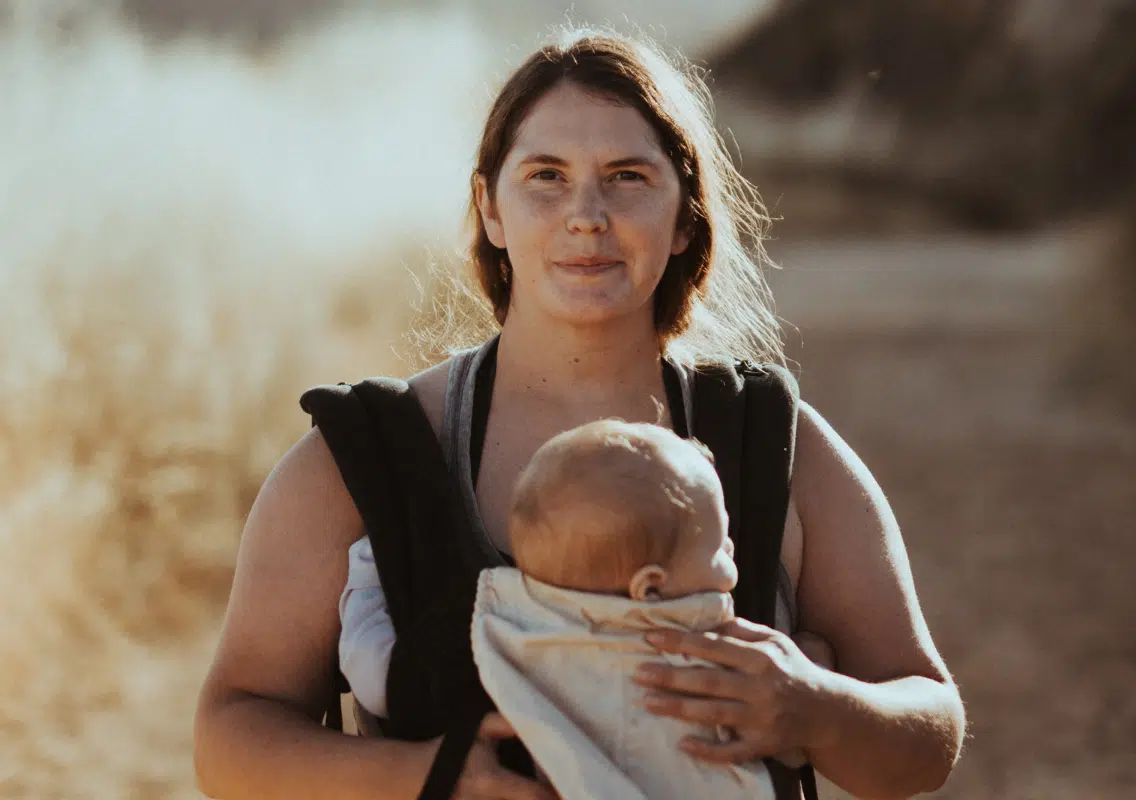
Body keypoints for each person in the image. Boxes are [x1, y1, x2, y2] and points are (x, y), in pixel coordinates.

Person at [193, 26, 966, 800]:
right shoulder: (367, 458)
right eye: (546, 176)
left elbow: (928, 730)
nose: (587, 214)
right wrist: (425, 776)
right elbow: (230, 737)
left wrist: (814, 709)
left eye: (628, 176)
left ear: (686, 217)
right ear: (489, 210)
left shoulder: (769, 443)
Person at [343, 418, 780, 799]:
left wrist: (367, 575)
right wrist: (814, 657)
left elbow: (376, 677)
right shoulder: (711, 653)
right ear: (648, 589)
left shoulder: (499, 629)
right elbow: (785, 731)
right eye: (720, 544)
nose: (732, 550)